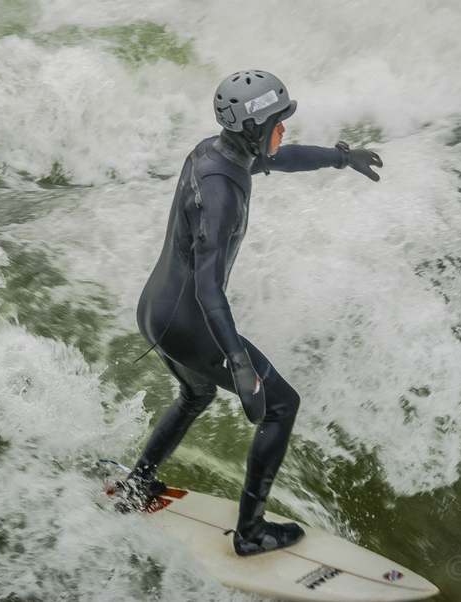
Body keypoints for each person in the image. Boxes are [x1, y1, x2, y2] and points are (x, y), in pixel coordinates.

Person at [119, 70, 383, 556]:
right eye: (278, 123)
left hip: (156, 310)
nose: (284, 131)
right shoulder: (219, 193)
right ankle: (251, 531)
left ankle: (137, 485)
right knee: (282, 405)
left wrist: (342, 158)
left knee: (195, 395)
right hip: (189, 320)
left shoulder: (215, 150)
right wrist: (239, 362)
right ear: (253, 128)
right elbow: (207, 287)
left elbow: (280, 159)